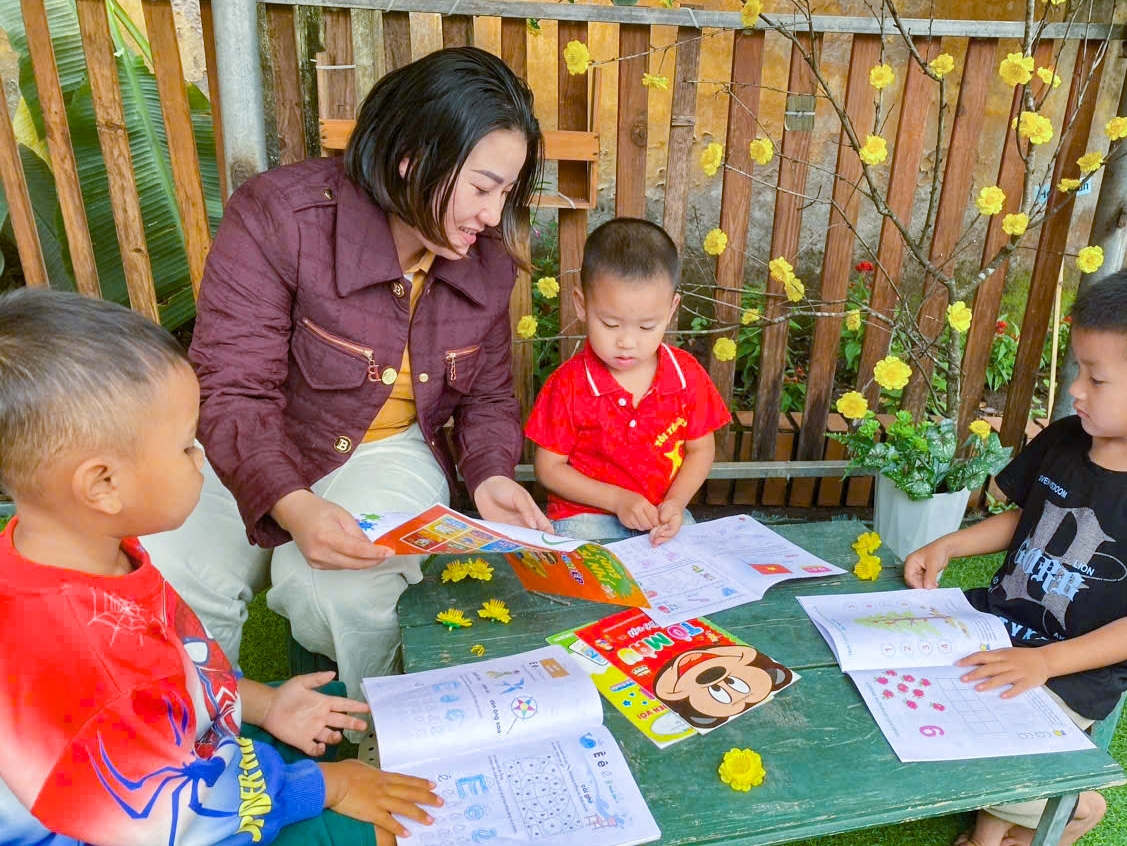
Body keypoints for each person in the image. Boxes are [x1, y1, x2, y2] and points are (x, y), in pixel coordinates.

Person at [140, 47, 551, 701]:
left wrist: (492, 475)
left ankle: (375, 725)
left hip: (385, 450)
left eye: (506, 191)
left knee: (344, 588)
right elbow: (233, 389)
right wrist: (293, 502)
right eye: (481, 188)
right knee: (172, 568)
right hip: (247, 442)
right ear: (412, 158)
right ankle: (196, 732)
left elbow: (488, 397)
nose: (494, 216)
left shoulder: (486, 259)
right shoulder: (279, 216)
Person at [0, 288, 443, 846]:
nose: (203, 460)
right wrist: (326, 786)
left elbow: (181, 666)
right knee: (389, 828)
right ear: (103, 484)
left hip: (189, 760)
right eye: (189, 447)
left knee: (329, 720)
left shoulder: (83, 554)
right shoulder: (91, 665)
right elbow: (176, 816)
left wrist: (267, 704)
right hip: (172, 820)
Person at [903, 253, 1127, 846]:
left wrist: (1044, 663)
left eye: (1096, 378)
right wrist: (950, 545)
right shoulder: (1069, 437)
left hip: (1071, 674)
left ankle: (1076, 808)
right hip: (991, 626)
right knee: (901, 698)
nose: (1075, 390)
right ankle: (1000, 825)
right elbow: (1024, 518)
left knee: (975, 755)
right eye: (1078, 370)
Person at [525, 218, 731, 544]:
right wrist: (618, 500)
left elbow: (701, 449)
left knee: (695, 559)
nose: (627, 342)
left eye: (647, 327)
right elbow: (549, 468)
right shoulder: (568, 385)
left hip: (658, 514)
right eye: (610, 324)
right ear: (581, 304)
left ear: (671, 309)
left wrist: (675, 503)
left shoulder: (685, 375)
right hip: (585, 516)